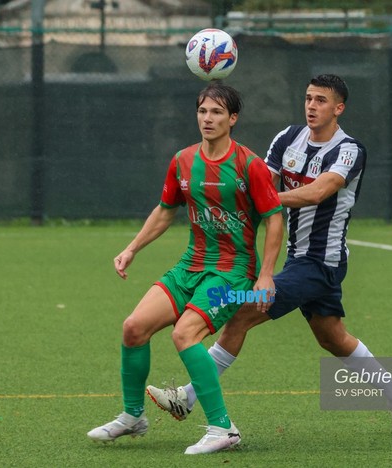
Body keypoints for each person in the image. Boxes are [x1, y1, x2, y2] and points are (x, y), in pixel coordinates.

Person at [146, 74, 392, 433]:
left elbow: (317, 192)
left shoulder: (349, 149)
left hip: (321, 262)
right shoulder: (288, 138)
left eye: (321, 100)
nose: (311, 106)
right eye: (308, 98)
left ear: (339, 108)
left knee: (242, 312)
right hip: (297, 259)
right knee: (332, 336)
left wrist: (259, 202)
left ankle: (188, 398)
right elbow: (259, 180)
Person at [87, 82, 284, 455]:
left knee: (185, 334)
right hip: (190, 266)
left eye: (216, 112)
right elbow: (165, 211)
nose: (207, 119)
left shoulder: (250, 165)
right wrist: (132, 249)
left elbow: (275, 220)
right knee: (133, 328)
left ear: (233, 118)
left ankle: (223, 428)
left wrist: (266, 274)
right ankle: (133, 417)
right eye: (202, 111)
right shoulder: (183, 161)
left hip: (233, 273)